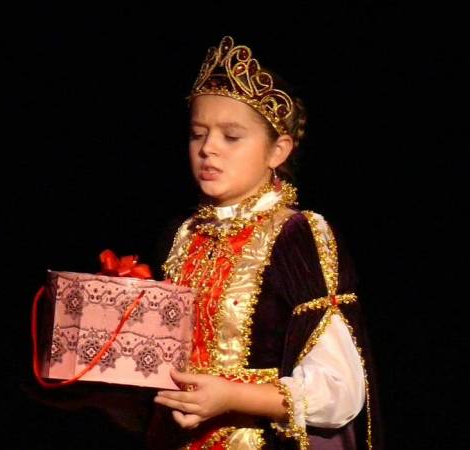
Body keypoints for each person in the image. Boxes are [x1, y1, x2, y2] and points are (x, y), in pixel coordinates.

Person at [149, 35, 381, 449]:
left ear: (278, 151)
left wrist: (232, 396)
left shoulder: (297, 236)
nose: (208, 149)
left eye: (231, 136)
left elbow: (341, 391)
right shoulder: (182, 234)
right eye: (198, 134)